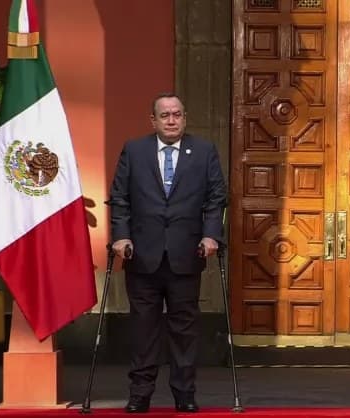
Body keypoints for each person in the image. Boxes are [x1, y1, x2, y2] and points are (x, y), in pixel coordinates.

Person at [109, 93, 227, 413]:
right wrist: (121, 237)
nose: (172, 120)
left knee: (184, 330)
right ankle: (140, 394)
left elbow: (216, 198)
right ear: (154, 120)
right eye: (165, 115)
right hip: (142, 256)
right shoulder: (134, 150)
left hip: (186, 255)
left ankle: (185, 393)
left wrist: (211, 234)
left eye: (177, 114)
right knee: (143, 329)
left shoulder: (203, 151)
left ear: (184, 118)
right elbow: (119, 198)